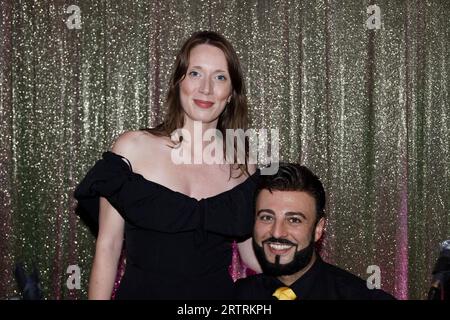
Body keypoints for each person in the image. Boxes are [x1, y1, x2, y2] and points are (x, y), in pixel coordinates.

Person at [74, 31, 261, 299]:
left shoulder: (243, 165)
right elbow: (108, 246)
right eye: (195, 73)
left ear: (231, 93)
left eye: (220, 77)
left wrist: (303, 266)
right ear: (178, 82)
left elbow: (251, 255)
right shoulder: (132, 148)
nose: (206, 88)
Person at [234, 163, 395, 300]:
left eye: (294, 220)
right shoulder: (235, 296)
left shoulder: (359, 295)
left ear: (318, 229)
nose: (277, 232)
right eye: (267, 217)